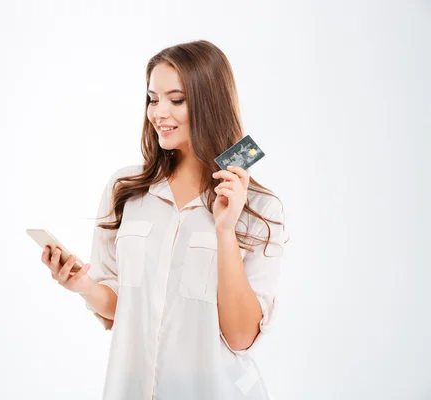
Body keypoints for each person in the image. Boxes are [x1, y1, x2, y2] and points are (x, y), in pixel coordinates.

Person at [40, 39, 289, 400]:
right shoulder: (126, 190)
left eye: (176, 99)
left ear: (209, 102)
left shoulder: (259, 209)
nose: (159, 113)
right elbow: (120, 307)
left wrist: (224, 231)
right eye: (153, 99)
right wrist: (84, 286)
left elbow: (240, 336)